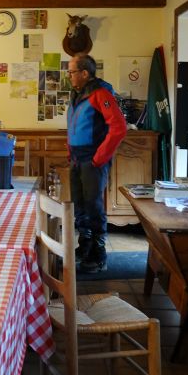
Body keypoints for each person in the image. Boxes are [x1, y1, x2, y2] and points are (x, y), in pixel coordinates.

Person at [66, 53, 127, 272]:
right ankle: (85, 248)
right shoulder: (77, 94)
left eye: (72, 71)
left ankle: (99, 255)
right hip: (76, 159)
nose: (69, 75)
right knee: (80, 206)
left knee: (93, 207)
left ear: (85, 73)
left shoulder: (100, 93)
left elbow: (119, 128)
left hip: (92, 160)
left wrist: (99, 158)